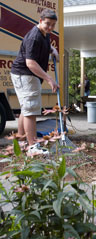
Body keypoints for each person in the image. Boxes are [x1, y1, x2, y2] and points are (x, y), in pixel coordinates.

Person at [10, 9, 59, 154]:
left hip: (27, 75)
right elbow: (30, 63)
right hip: (25, 74)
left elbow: (45, 45)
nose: (50, 27)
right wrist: (49, 78)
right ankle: (33, 147)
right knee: (31, 110)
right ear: (40, 21)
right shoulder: (34, 37)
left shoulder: (45, 34)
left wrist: (52, 50)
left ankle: (21, 143)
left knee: (26, 109)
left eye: (53, 25)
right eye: (47, 24)